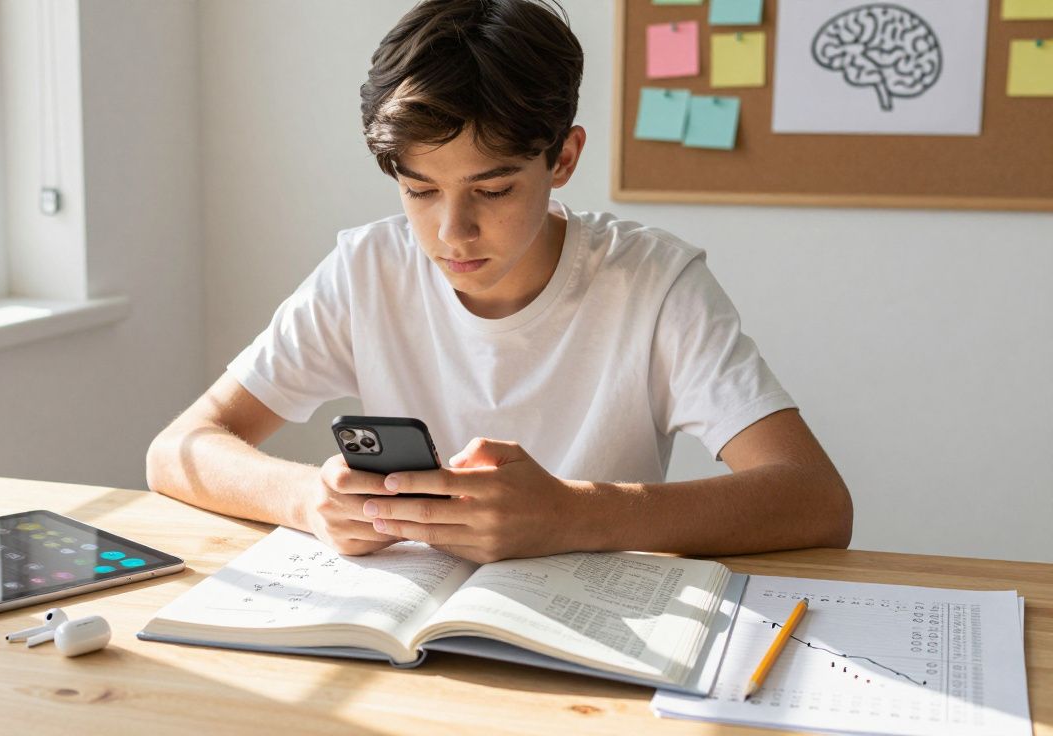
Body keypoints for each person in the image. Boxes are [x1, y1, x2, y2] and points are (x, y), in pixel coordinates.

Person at [147, 0, 852, 563]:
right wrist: (307, 498)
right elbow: (178, 449)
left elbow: (815, 499)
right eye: (420, 190)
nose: (452, 232)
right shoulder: (367, 271)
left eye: (493, 190)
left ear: (564, 157)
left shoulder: (652, 282)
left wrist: (573, 514)